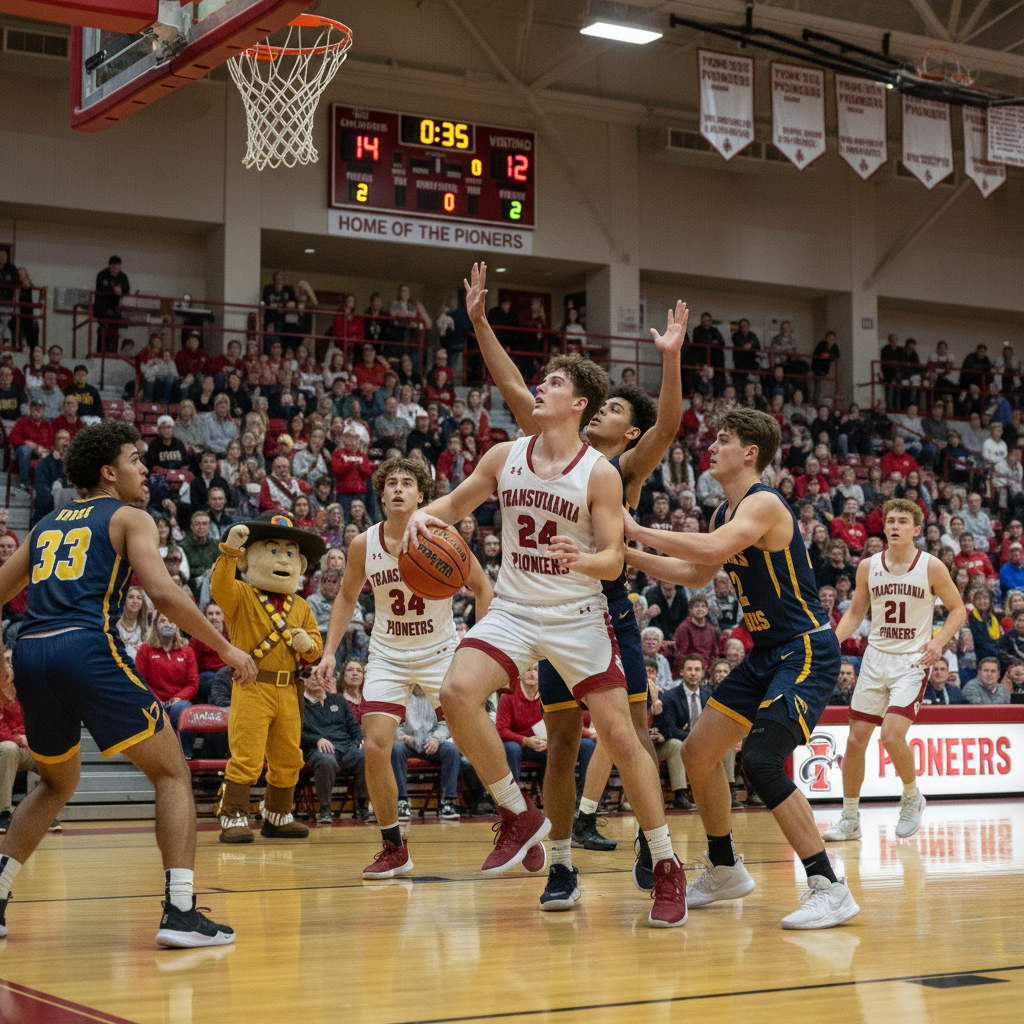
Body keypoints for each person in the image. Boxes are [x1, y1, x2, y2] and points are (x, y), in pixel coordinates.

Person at [403, 345, 688, 927]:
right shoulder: (506, 454)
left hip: (580, 614)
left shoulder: (602, 473)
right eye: (541, 379)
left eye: (553, 382)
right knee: (456, 693)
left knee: (621, 738)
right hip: (512, 606)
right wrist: (420, 517)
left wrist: (587, 561)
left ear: (577, 403)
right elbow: (458, 503)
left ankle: (665, 862)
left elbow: (613, 558)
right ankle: (520, 816)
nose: (539, 386)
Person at [465, 262, 690, 891]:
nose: (603, 414)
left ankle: (656, 845)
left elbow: (669, 424)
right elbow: (511, 380)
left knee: (629, 738)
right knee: (561, 741)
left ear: (626, 428)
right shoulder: (542, 440)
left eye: (616, 407)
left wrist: (669, 359)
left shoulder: (623, 464)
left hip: (604, 607)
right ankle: (559, 860)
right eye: (602, 403)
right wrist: (480, 323)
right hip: (541, 603)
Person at [0, 420, 256, 946]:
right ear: (108, 472)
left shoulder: (45, 523)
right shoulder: (129, 517)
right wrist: (226, 648)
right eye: (136, 459)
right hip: (84, 646)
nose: (146, 468)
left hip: (30, 652)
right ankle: (181, 911)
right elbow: (161, 594)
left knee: (56, 783)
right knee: (171, 774)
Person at [623, 408, 858, 929]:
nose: (712, 445)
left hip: (805, 650)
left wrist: (636, 528)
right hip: (764, 655)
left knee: (760, 758)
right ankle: (726, 866)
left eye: (723, 440)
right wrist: (627, 553)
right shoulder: (719, 513)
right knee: (699, 753)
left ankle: (828, 885)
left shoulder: (765, 504)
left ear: (750, 453)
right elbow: (696, 570)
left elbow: (711, 550)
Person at [312, 457, 493, 878]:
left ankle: (516, 817)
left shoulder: (444, 537)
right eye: (390, 483)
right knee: (374, 747)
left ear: (421, 495)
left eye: (406, 483)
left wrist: (479, 650)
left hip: (440, 652)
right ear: (381, 493)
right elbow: (345, 599)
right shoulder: (363, 545)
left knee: (471, 740)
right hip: (388, 655)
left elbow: (484, 590)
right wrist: (328, 652)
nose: (397, 489)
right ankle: (394, 846)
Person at [825, 499, 966, 843]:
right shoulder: (868, 566)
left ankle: (911, 796)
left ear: (916, 530)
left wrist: (939, 641)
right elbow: (857, 613)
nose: (895, 526)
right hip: (875, 659)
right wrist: (831, 641)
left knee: (890, 735)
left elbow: (958, 610)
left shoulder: (931, 566)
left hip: (911, 662)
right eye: (890, 520)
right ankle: (849, 817)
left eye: (903, 521)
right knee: (856, 741)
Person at [301, 670, 366, 825]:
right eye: (312, 676)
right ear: (303, 681)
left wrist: (361, 740)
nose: (317, 679)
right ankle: (325, 809)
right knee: (326, 761)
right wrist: (317, 739)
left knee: (365, 757)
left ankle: (362, 806)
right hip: (317, 749)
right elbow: (296, 733)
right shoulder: (299, 704)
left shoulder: (339, 701)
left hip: (346, 746)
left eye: (321, 676)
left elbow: (354, 726)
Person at [391, 685, 463, 821]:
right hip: (407, 742)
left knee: (452, 750)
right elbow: (394, 724)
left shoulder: (437, 698)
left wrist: (436, 738)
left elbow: (445, 724)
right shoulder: (400, 698)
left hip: (431, 743)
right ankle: (402, 801)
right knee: (396, 749)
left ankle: (447, 801)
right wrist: (402, 737)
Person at [135, 614, 200, 757]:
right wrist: (156, 699)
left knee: (183, 710)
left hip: (179, 701)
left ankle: (185, 756)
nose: (167, 624)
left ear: (176, 625)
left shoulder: (187, 651)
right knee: (153, 710)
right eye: (163, 621)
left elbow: (193, 683)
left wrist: (178, 698)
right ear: (155, 625)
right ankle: (156, 758)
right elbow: (140, 682)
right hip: (153, 700)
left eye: (171, 620)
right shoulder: (145, 650)